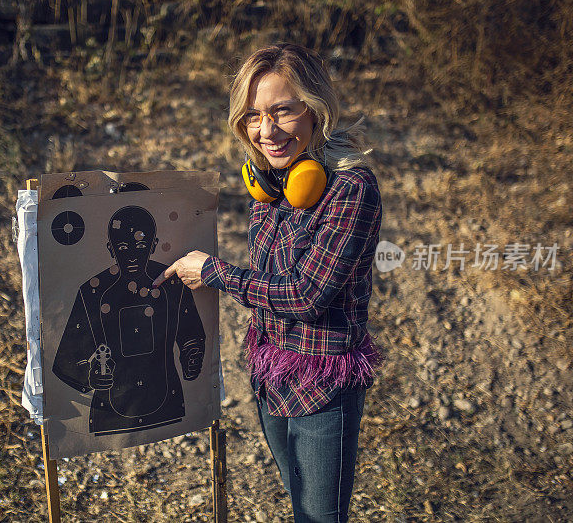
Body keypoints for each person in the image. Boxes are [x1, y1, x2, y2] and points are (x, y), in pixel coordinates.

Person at [154, 43, 382, 522]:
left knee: (319, 518)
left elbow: (304, 295)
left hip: (324, 382)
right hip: (269, 373)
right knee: (298, 504)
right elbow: (267, 279)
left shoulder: (351, 189)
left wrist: (214, 272)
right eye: (254, 116)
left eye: (283, 112)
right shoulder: (271, 184)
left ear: (316, 111)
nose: (267, 131)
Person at [53, 205, 205, 436]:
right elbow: (67, 360)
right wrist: (90, 376)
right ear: (111, 249)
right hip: (111, 412)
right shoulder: (94, 291)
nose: (132, 255)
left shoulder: (172, 282)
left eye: (141, 246)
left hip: (167, 403)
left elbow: (191, 332)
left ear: (153, 245)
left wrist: (192, 353)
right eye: (123, 247)